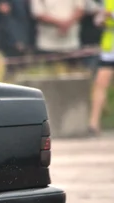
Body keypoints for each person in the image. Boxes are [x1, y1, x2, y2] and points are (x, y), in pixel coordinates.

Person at [30, 0, 86, 68]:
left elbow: (80, 10)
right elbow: (38, 14)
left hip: (72, 44)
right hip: (47, 45)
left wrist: (67, 23)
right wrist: (61, 24)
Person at [89, 1, 113, 136]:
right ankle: (93, 123)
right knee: (100, 83)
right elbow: (98, 20)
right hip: (109, 48)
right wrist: (101, 19)